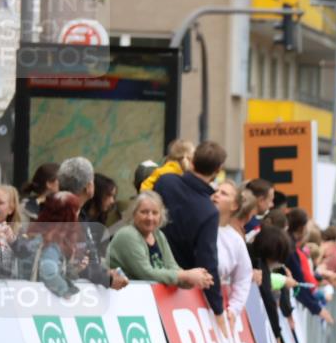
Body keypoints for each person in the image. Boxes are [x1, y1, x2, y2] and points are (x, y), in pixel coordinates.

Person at [154, 141, 226, 331]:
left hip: (143, 271)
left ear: (192, 161)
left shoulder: (165, 182)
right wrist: (218, 309)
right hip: (177, 289)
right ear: (218, 170)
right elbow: (207, 260)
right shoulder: (209, 211)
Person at [108, 191, 213, 289]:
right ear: (134, 214)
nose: (150, 218)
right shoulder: (128, 235)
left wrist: (193, 279)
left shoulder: (158, 234)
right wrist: (186, 275)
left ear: (161, 216)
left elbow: (172, 267)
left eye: (155, 213)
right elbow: (146, 274)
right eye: (144, 212)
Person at [57, 157, 129, 291]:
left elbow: (89, 261)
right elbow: (73, 265)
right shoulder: (61, 216)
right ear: (89, 187)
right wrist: (107, 279)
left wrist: (105, 272)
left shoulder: (80, 215)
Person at [213, 181, 254, 328]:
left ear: (234, 205)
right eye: (216, 191)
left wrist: (234, 308)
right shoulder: (196, 225)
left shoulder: (235, 240)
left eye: (223, 193)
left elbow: (244, 277)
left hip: (214, 310)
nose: (216, 195)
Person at [284, 208, 334, 325]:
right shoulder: (292, 249)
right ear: (302, 228)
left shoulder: (292, 247)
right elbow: (299, 282)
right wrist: (316, 308)